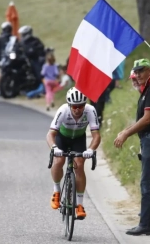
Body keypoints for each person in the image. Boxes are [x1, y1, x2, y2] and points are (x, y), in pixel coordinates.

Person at [114, 59, 150, 236]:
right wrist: (126, 130)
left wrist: (127, 133)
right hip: (149, 138)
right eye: (136, 71)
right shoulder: (147, 89)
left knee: (147, 183)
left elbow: (147, 119)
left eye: (141, 71)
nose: (138, 74)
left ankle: (146, 224)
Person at [46, 87, 101, 219]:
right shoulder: (63, 110)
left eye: (80, 106)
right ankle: (56, 191)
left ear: (85, 104)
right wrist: (54, 148)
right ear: (69, 105)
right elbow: (50, 134)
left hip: (78, 139)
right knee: (59, 161)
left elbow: (96, 136)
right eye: (74, 106)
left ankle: (80, 205)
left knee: (80, 165)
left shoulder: (90, 110)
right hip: (62, 138)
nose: (77, 109)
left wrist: (91, 150)